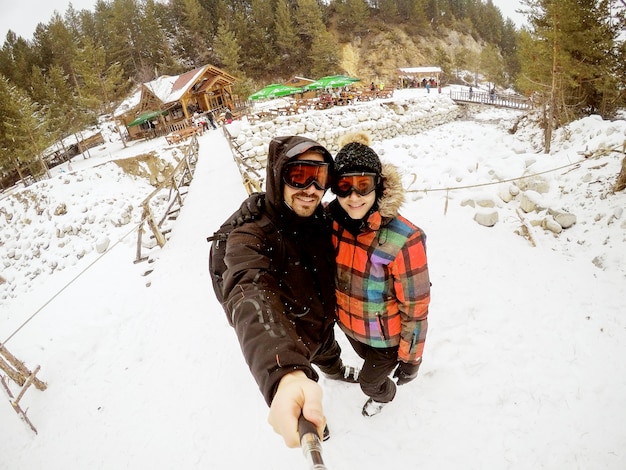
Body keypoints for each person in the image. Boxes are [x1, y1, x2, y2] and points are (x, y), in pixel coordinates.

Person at [215, 136, 359, 447]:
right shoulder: (251, 234)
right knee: (306, 377)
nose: (310, 188)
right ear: (278, 175)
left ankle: (336, 370)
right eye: (298, 175)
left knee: (329, 354)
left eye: (320, 177)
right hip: (289, 337)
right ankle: (311, 411)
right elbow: (249, 289)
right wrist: (286, 373)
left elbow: (364, 208)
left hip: (321, 324)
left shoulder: (322, 219)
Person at [327, 131, 431, 417]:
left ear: (379, 185)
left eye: (364, 185)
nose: (354, 196)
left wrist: (411, 358)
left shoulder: (404, 238)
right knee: (364, 360)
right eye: (344, 186)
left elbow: (416, 307)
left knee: (369, 382)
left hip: (386, 340)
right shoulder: (331, 221)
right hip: (351, 328)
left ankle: (384, 397)